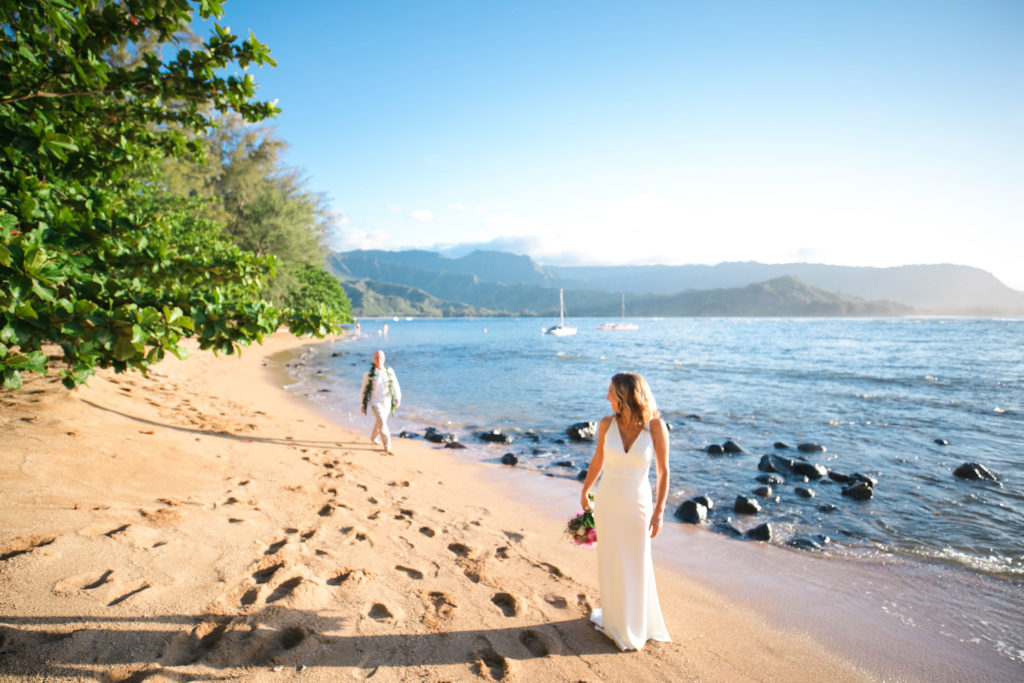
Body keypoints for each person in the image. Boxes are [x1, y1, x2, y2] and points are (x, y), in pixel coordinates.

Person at [579, 372, 671, 651]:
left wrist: (660, 511)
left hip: (638, 504)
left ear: (625, 396)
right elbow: (597, 462)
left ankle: (636, 622)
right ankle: (615, 619)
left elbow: (664, 471)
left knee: (636, 560)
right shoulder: (606, 425)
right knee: (610, 559)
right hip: (607, 501)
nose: (607, 398)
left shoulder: (655, 426)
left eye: (611, 393)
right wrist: (585, 491)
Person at [360, 350, 401, 454]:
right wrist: (363, 404)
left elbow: (395, 384)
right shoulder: (368, 374)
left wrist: (397, 397)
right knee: (382, 421)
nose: (379, 360)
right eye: (376, 358)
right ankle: (387, 444)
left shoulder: (389, 371)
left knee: (381, 422)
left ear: (384, 359)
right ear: (373, 359)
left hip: (386, 401)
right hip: (375, 401)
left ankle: (374, 437)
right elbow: (363, 389)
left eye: (381, 358)